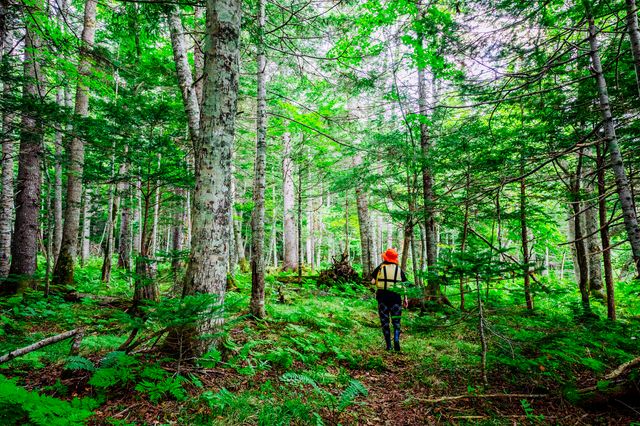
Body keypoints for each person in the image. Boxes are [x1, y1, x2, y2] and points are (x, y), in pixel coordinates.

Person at [371, 248, 409, 352]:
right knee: (396, 321)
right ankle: (396, 339)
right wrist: (405, 298)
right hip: (396, 298)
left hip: (382, 298)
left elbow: (373, 282)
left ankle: (389, 346)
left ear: (385, 257)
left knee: (385, 322)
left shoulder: (380, 267)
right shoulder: (398, 269)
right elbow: (404, 285)